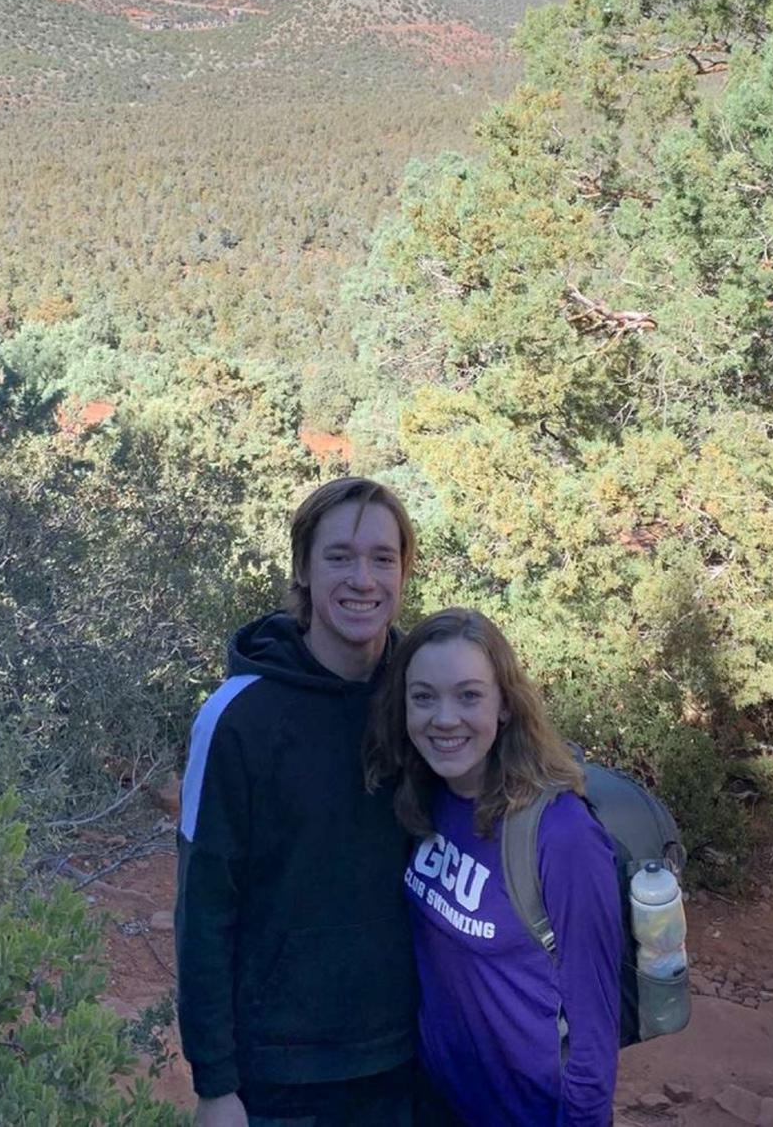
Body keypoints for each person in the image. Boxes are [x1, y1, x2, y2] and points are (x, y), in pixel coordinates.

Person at [175, 477, 420, 1127]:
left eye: (382, 558)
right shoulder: (236, 718)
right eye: (339, 556)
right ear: (304, 569)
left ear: (403, 570)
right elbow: (203, 907)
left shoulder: (424, 699)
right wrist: (215, 1085)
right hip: (281, 1077)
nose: (362, 579)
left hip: (411, 1059)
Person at [366, 608, 620, 1127]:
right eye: (424, 697)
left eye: (469, 696)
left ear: (504, 704)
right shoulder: (423, 796)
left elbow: (594, 1027)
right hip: (437, 1105)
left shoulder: (561, 834)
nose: (444, 719)